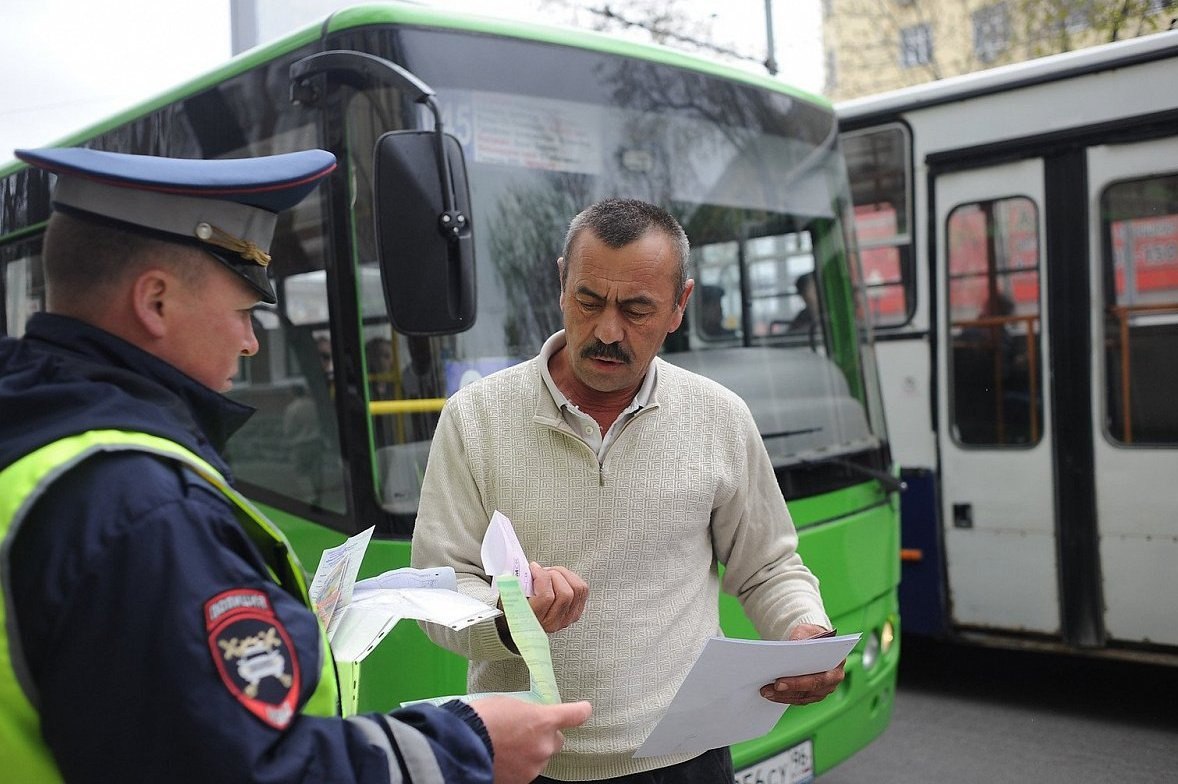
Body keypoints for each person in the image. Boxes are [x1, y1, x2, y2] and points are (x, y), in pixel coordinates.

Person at [0, 146, 589, 784]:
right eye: (242, 312)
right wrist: (465, 744)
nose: (250, 341)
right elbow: (240, 768)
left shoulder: (37, 442)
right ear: (156, 301)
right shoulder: (140, 504)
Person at [411, 198, 843, 783]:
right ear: (562, 282)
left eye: (637, 309)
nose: (607, 331)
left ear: (679, 306)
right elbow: (436, 594)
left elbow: (766, 567)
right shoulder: (475, 419)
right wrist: (510, 620)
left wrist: (804, 635)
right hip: (526, 762)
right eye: (588, 301)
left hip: (686, 759)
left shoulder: (718, 416)